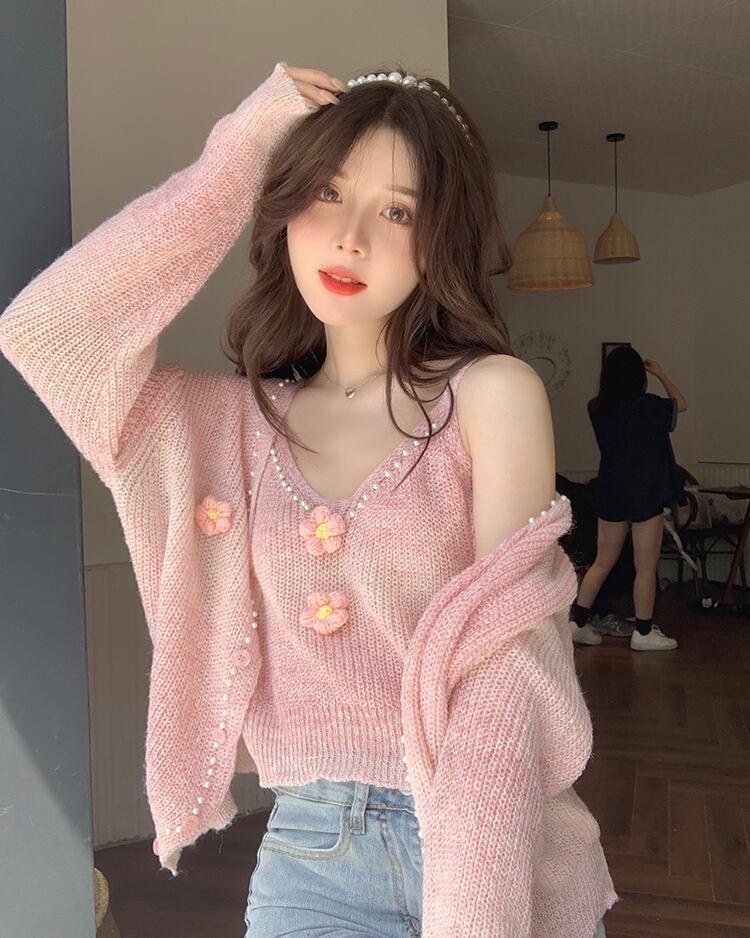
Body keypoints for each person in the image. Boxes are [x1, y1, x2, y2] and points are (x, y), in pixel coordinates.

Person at [0, 61, 616, 937]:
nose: (350, 238)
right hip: (313, 857)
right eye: (326, 192)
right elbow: (48, 332)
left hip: (494, 845)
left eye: (396, 211)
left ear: (439, 238)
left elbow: (507, 672)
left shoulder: (490, 395)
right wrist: (242, 151)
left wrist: (474, 916)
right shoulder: (229, 426)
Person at [570, 346, 687, 651]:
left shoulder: (597, 408)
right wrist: (660, 373)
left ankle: (578, 623)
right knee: (645, 566)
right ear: (639, 376)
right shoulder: (650, 406)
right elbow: (682, 404)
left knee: (602, 562)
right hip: (645, 494)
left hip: (611, 490)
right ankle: (643, 633)